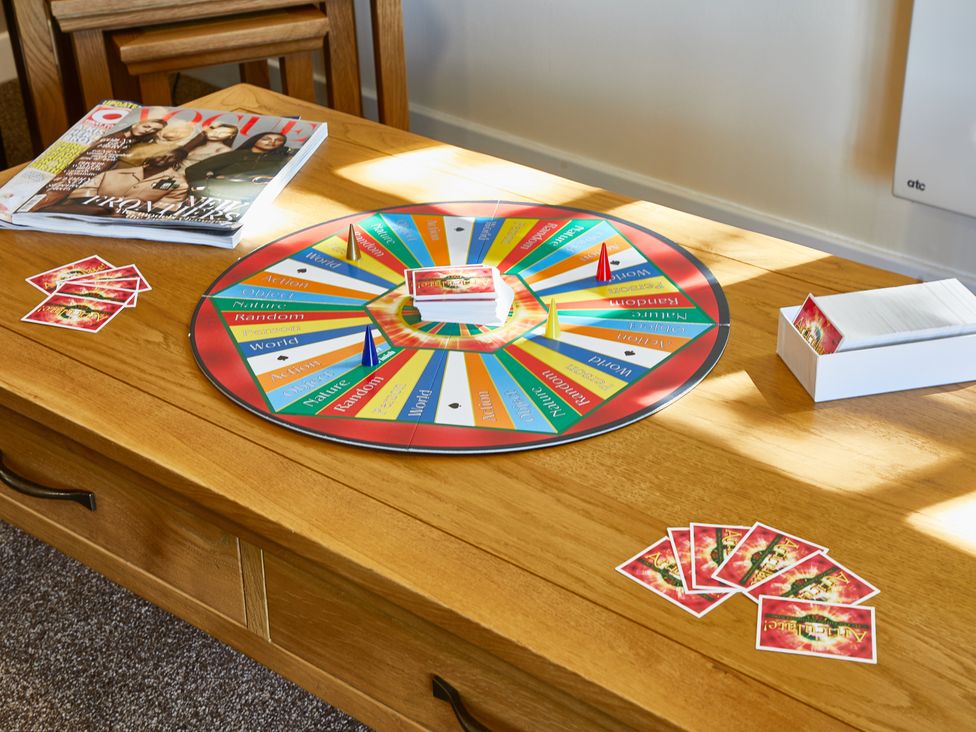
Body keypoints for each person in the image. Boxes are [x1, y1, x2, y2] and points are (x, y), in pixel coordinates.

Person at [33, 119, 167, 209]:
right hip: (66, 181)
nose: (148, 130)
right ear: (136, 123)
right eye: (146, 126)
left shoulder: (130, 143)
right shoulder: (114, 139)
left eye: (153, 130)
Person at [47, 149, 191, 216]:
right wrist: (107, 207)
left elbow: (164, 210)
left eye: (171, 157)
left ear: (176, 163)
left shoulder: (179, 183)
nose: (164, 158)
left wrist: (124, 212)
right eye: (161, 154)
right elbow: (80, 195)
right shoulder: (110, 174)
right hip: (87, 215)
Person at [184, 132, 293, 203]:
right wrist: (200, 188)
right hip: (220, 193)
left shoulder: (281, 158)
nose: (272, 142)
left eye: (278, 140)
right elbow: (194, 169)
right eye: (266, 139)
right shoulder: (236, 155)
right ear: (255, 139)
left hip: (257, 196)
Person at [117, 120, 198, 167]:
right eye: (177, 129)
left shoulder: (173, 148)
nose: (178, 134)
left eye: (183, 132)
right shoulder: (147, 136)